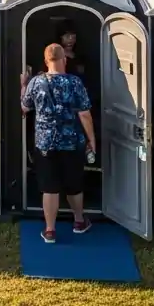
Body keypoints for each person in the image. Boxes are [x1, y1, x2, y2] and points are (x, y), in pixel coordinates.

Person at [21, 43, 96, 244]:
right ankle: (79, 222)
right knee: (74, 184)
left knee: (50, 187)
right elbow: (85, 115)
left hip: (45, 143)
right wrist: (92, 140)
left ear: (46, 61)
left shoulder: (36, 83)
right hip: (72, 142)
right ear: (64, 60)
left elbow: (24, 108)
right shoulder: (75, 83)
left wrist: (23, 84)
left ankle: (50, 231)